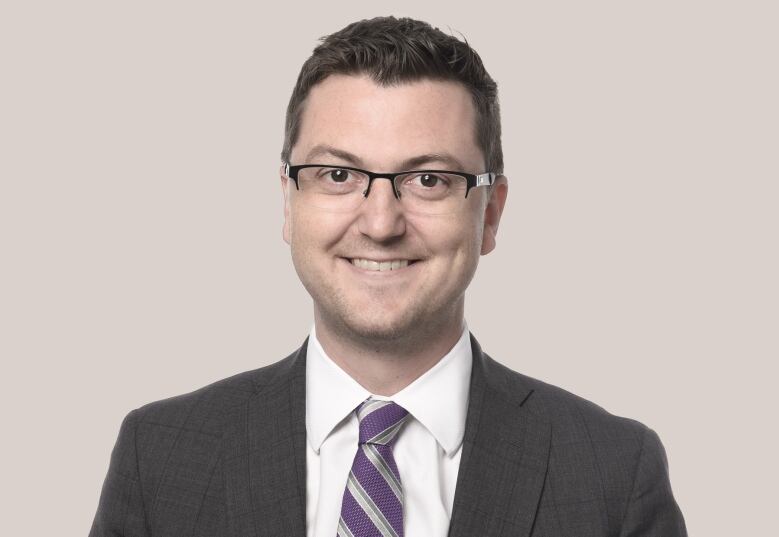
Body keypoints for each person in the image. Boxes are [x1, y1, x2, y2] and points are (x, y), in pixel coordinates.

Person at [89, 16, 687, 537]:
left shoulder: (612, 472)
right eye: (337, 175)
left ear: (491, 213)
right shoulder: (162, 457)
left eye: (428, 180)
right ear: (288, 203)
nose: (380, 223)